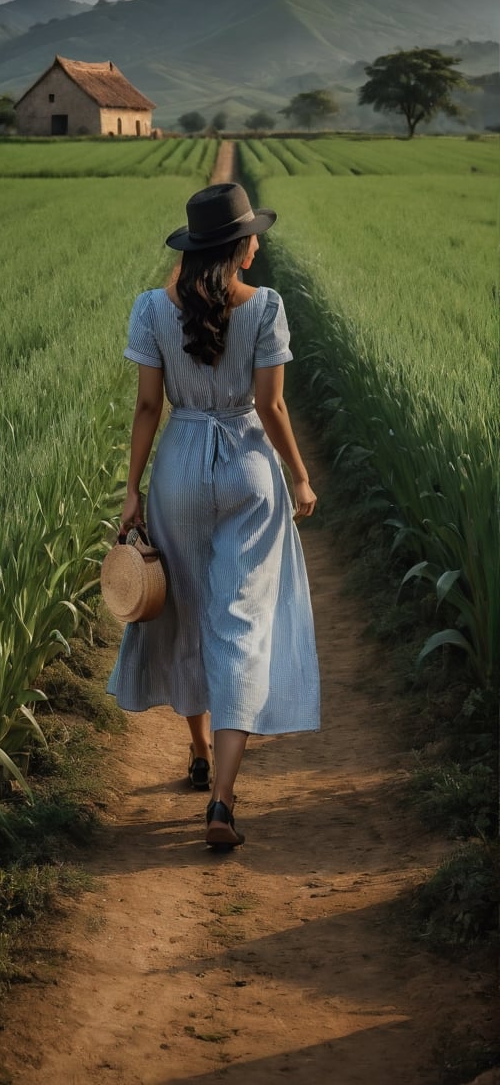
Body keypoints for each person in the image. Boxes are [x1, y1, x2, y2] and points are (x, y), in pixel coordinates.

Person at [106, 182, 321, 850]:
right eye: (253, 233)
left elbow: (147, 408)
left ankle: (197, 753)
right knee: (243, 627)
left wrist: (133, 488)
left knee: (188, 608)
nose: (259, 240)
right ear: (237, 248)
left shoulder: (151, 308)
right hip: (250, 472)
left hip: (177, 469)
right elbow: (273, 408)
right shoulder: (267, 309)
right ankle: (223, 798)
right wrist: (301, 476)